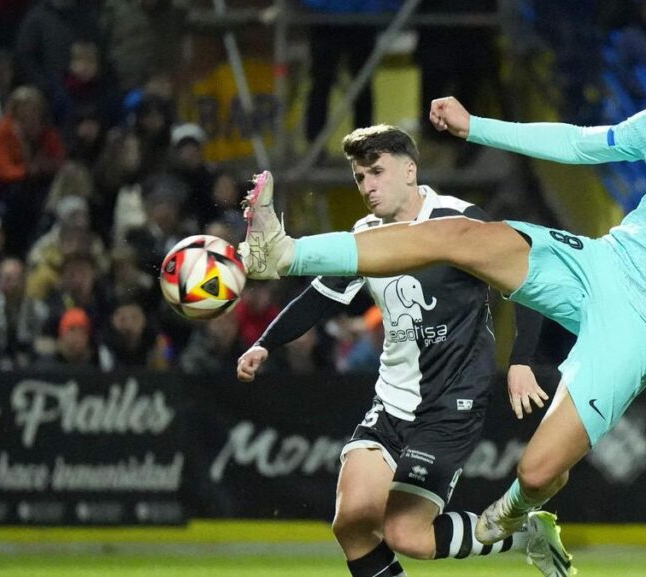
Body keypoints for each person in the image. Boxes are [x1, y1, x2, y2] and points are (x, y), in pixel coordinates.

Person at [238, 4, 646, 567]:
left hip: (645, 323)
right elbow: (581, 145)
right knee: (459, 236)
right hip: (601, 265)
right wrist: (477, 127)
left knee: (536, 471)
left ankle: (516, 521)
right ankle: (284, 251)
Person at [237, 125, 570, 577]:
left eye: (377, 171)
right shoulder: (365, 236)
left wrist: (521, 362)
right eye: (359, 177)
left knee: (405, 534)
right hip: (392, 402)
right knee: (352, 524)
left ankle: (524, 534)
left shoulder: (458, 219)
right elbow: (318, 297)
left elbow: (527, 282)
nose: (368, 185)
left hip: (451, 404)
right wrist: (264, 344)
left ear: (409, 170)